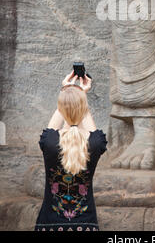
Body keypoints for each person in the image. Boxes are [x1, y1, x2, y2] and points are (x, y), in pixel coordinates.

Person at [34, 71, 107, 231]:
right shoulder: (95, 143)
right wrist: (81, 95)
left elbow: (53, 125)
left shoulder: (49, 141)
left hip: (49, 225)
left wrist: (67, 92)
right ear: (83, 107)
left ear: (61, 108)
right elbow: (94, 134)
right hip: (86, 225)